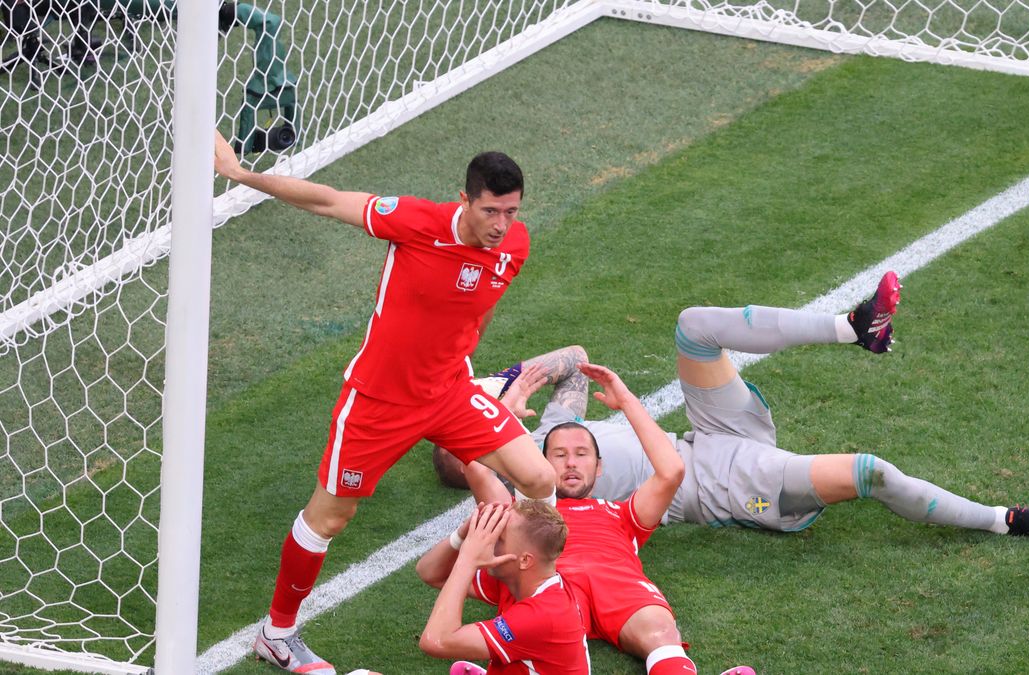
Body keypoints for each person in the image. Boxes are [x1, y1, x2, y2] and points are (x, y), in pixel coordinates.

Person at [213, 132, 557, 674]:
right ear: (464, 199)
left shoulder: (514, 245)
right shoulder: (416, 221)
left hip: (449, 390)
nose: (501, 225)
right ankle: (276, 634)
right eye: (491, 210)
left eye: (511, 212)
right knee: (329, 519)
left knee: (538, 478)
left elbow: (481, 306)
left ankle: (538, 595)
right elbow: (326, 199)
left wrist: (460, 360)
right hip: (379, 401)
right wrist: (240, 175)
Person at [435, 272, 1029, 541]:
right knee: (868, 470)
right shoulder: (540, 492)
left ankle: (854, 327)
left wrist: (508, 386)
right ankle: (1007, 519)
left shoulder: (547, 429)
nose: (569, 460)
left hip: (708, 431)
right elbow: (486, 484)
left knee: (693, 324)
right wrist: (479, 435)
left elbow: (573, 358)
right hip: (724, 484)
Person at [452, 363, 755, 675]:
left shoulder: (620, 513)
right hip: (548, 584)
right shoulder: (523, 511)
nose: (570, 462)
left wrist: (626, 400)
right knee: (529, 644)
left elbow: (671, 472)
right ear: (540, 463)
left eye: (582, 454)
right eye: (558, 455)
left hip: (617, 584)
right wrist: (505, 413)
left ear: (598, 467)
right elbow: (475, 468)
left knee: (662, 633)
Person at [416, 501, 590, 674]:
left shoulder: (542, 615)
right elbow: (430, 572)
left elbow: (436, 640)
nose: (488, 540)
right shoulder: (519, 576)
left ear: (524, 560)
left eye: (499, 537)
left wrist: (467, 559)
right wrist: (461, 536)